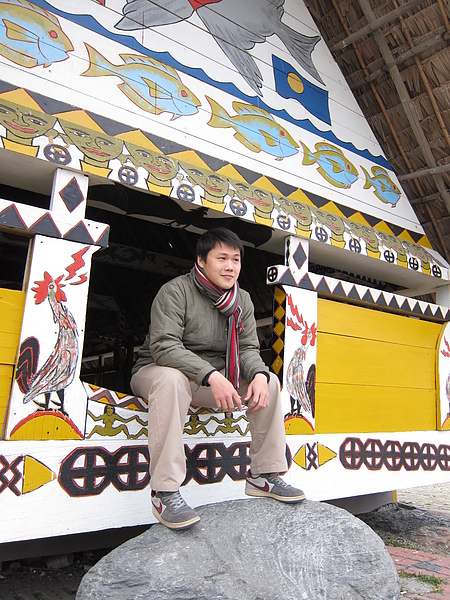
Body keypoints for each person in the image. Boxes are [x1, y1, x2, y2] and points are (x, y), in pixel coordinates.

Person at [131, 227, 305, 530]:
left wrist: (259, 374)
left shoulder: (242, 300)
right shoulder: (175, 291)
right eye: (221, 258)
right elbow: (164, 347)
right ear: (201, 261)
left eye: (235, 260)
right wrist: (211, 375)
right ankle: (165, 492)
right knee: (172, 380)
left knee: (270, 382)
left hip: (209, 380)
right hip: (158, 371)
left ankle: (264, 474)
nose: (230, 266)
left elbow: (247, 349)